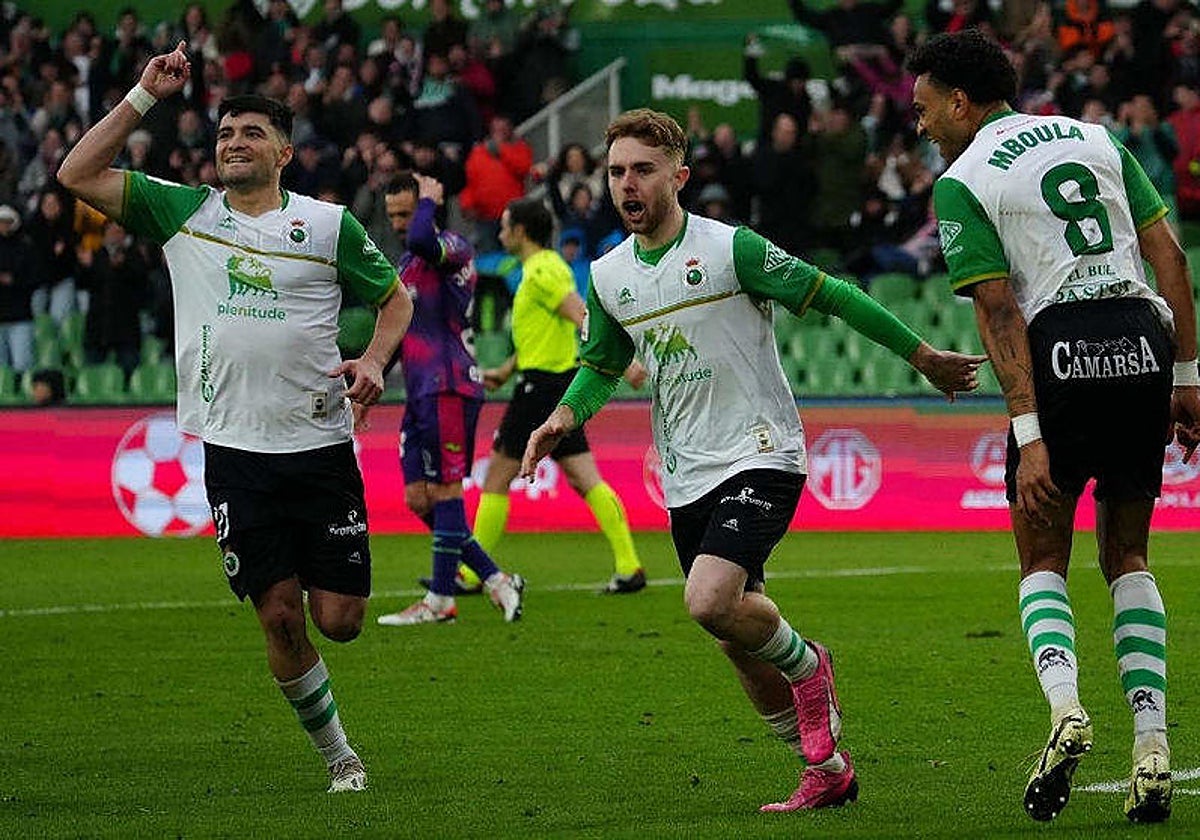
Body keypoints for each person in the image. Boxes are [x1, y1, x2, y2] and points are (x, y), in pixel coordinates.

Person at [521, 108, 984, 812]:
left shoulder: (732, 249)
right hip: (684, 473)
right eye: (616, 171)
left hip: (760, 452)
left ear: (679, 175)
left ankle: (812, 667)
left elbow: (833, 295)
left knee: (708, 599)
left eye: (642, 169)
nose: (626, 184)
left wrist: (922, 357)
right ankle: (824, 766)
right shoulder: (610, 274)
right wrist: (564, 414)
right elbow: (603, 361)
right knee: (732, 632)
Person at [56, 43, 414, 794]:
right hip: (236, 453)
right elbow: (77, 173)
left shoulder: (327, 226)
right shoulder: (185, 212)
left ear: (283, 152)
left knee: (341, 619)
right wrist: (144, 97)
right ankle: (339, 756)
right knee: (281, 618)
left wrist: (376, 361)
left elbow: (396, 301)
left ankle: (337, 708)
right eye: (224, 134)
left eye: (250, 133)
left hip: (319, 446)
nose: (233, 144)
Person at [908, 29, 1200, 824]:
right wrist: (1187, 378)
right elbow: (1169, 257)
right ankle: (1152, 744)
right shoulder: (1098, 138)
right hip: (1144, 337)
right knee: (1129, 552)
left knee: (1043, 555)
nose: (923, 126)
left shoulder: (964, 178)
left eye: (927, 109)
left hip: (1062, 346)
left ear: (962, 103)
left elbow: (1000, 310)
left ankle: (1067, 712)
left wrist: (1031, 437)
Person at [371, 170, 526, 626]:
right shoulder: (404, 267)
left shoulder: (452, 248)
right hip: (419, 392)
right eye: (393, 215)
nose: (400, 224)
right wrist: (371, 378)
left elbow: (422, 237)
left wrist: (429, 203)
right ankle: (496, 579)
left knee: (446, 490)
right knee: (419, 498)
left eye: (406, 212)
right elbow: (395, 331)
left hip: (450, 383)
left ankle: (440, 601)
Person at [479, 196, 647, 595]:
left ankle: (470, 573)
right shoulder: (544, 268)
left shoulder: (540, 271)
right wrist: (505, 369)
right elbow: (547, 331)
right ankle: (629, 566)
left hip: (540, 388)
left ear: (520, 231)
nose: (501, 233)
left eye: (504, 225)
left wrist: (625, 364)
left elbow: (581, 316)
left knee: (497, 477)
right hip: (556, 384)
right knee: (584, 477)